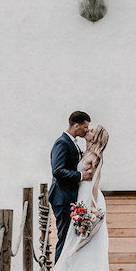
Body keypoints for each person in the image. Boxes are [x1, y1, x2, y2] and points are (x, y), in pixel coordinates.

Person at [50, 124, 112, 271]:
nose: (88, 131)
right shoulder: (83, 151)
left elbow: (95, 182)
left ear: (96, 137)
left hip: (88, 199)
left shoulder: (96, 156)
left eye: (91, 130)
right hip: (79, 196)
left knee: (85, 242)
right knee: (72, 240)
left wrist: (92, 207)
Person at [50, 111, 92, 263]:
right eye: (85, 127)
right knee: (65, 236)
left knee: (70, 236)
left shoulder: (72, 142)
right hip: (62, 197)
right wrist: (80, 176)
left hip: (69, 197)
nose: (87, 130)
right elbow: (58, 170)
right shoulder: (62, 143)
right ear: (76, 125)